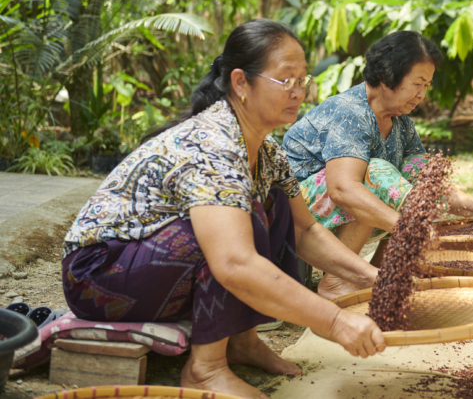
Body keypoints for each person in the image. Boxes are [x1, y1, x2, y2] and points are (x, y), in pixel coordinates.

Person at [62, 20, 385, 399]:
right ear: (240, 83)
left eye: (303, 80)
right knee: (233, 228)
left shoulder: (266, 151)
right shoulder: (212, 145)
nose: (299, 92)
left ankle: (241, 343)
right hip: (97, 278)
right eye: (286, 80)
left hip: (150, 265)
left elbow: (306, 231)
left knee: (274, 203)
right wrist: (335, 321)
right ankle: (205, 369)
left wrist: (377, 279)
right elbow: (233, 263)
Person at [282, 31, 473, 299]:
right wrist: (408, 228)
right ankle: (336, 281)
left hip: (330, 208)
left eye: (427, 86)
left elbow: (424, 179)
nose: (422, 94)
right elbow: (342, 188)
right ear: (388, 76)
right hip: (292, 214)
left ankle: (383, 271)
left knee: (416, 169)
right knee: (373, 173)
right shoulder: (350, 112)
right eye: (417, 84)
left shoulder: (402, 123)